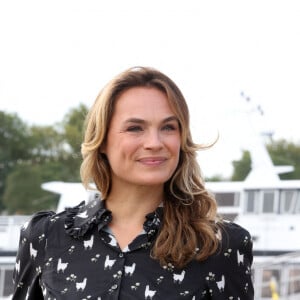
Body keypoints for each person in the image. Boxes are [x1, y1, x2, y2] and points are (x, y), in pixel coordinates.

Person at [12, 66, 254, 299]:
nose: (154, 142)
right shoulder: (44, 237)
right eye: (135, 128)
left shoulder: (221, 247)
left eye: (168, 127)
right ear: (103, 140)